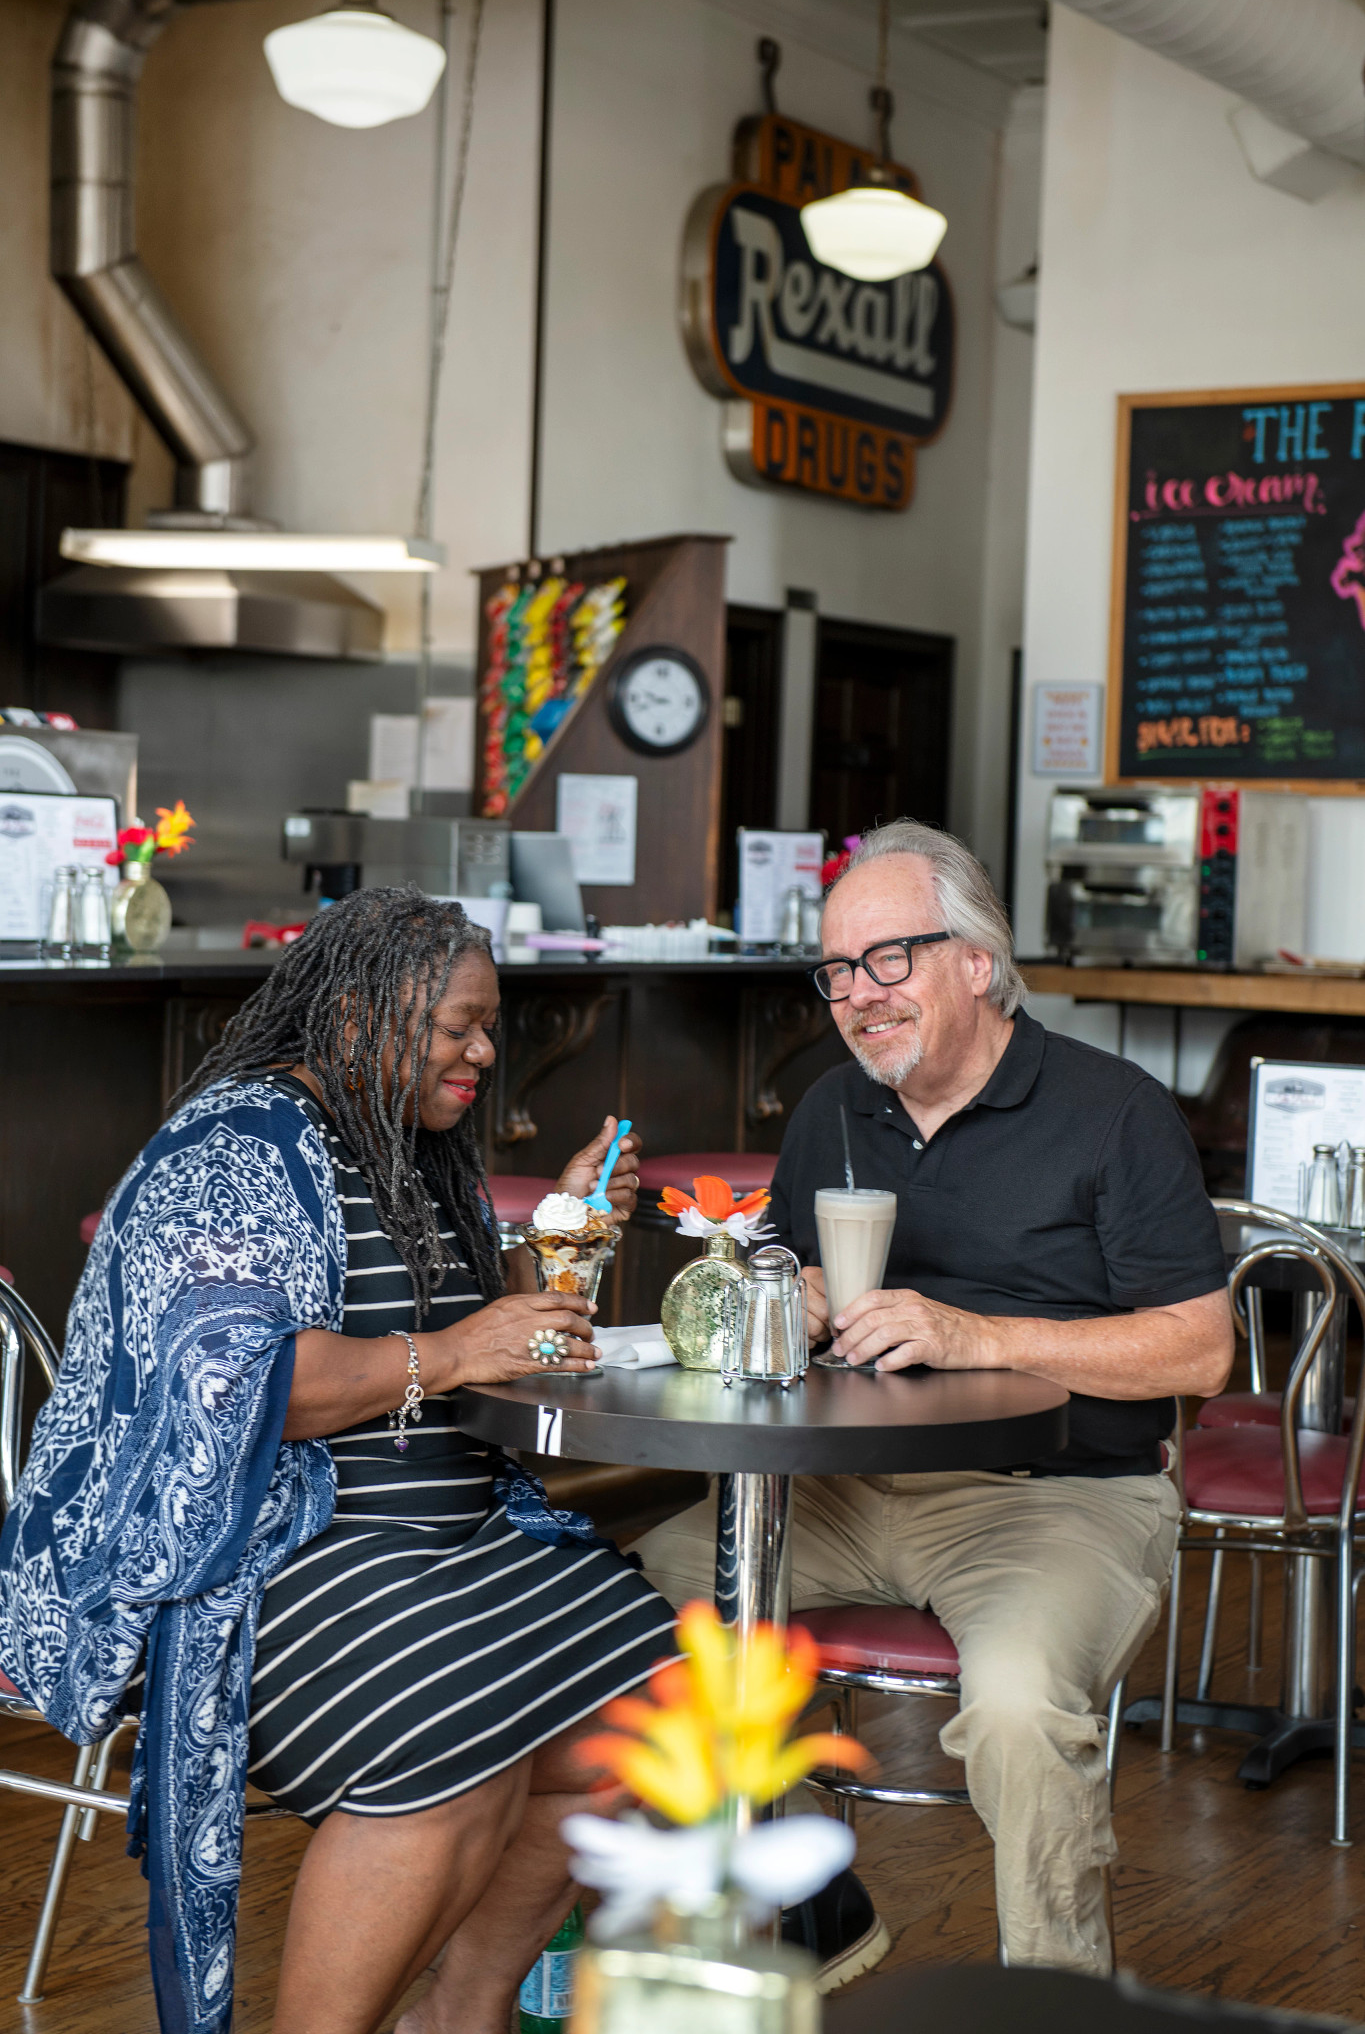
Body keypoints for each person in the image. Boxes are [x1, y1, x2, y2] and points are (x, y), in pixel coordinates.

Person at [0, 887, 674, 2034]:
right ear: (360, 1019)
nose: (484, 1049)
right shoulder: (238, 1145)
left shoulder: (418, 1149)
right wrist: (455, 1351)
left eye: (490, 1023)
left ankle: (461, 2013)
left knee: (656, 1717)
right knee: (450, 1739)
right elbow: (235, 1386)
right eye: (458, 1024)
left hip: (465, 1532)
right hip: (271, 1549)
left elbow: (478, 1341)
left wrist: (567, 1230)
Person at [636, 818, 1233, 1981]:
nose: (858, 996)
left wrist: (975, 1334)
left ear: (976, 958)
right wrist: (791, 1296)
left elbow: (1201, 1351)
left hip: (1058, 1495)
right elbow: (783, 1275)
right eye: (837, 972)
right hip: (845, 1487)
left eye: (888, 959)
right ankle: (817, 1901)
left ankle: (1055, 2000)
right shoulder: (831, 1110)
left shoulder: (1115, 1110)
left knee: (1015, 1706)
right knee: (627, 1609)